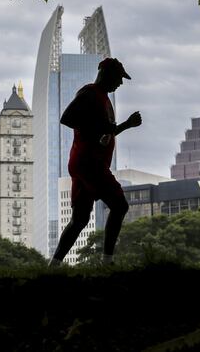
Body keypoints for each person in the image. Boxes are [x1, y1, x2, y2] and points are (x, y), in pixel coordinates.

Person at [49, 57, 142, 267]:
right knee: (119, 205)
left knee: (80, 219)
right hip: (90, 163)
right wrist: (97, 129)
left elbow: (106, 132)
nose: (120, 83)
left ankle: (53, 265)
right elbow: (67, 118)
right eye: (119, 78)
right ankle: (107, 261)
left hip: (85, 163)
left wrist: (127, 125)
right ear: (106, 74)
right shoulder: (90, 93)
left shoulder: (103, 98)